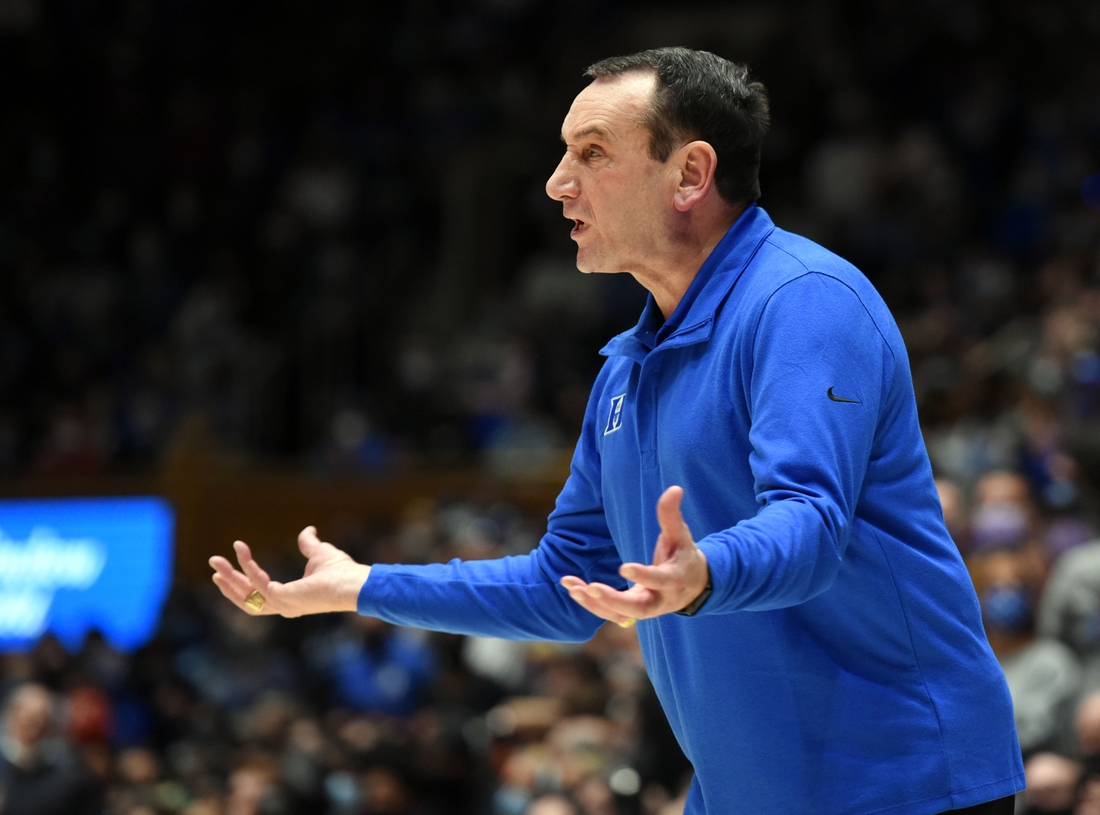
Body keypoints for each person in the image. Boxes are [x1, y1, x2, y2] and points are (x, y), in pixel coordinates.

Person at [211, 47, 1024, 814]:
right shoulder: (625, 368)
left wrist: (703, 571)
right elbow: (560, 587)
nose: (558, 183)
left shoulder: (804, 302)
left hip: (910, 786)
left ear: (691, 174)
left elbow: (808, 526)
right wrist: (361, 584)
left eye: (592, 153)